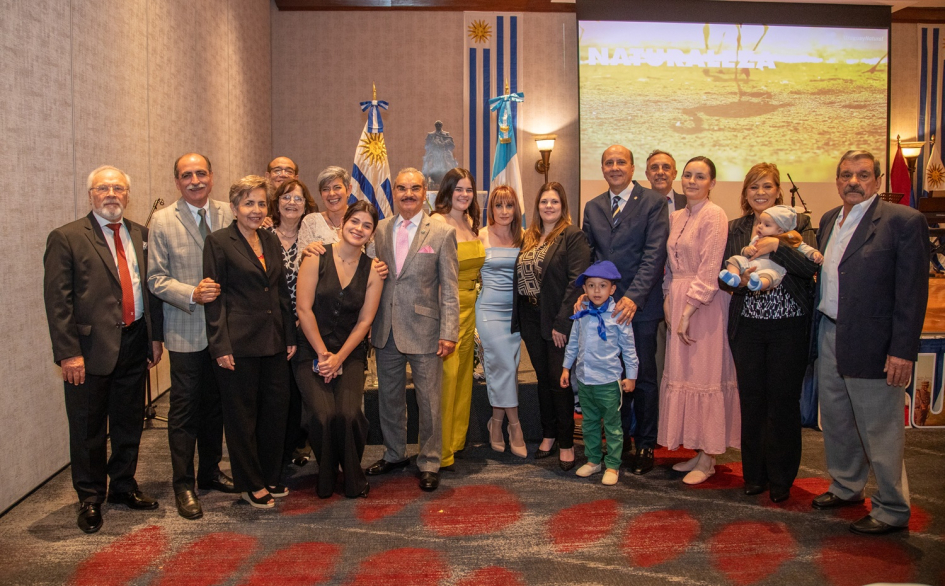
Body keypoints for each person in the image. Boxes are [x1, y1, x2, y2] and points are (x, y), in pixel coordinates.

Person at [811, 150, 929, 535]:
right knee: (839, 420)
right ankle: (846, 487)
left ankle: (892, 508)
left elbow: (911, 294)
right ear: (837, 179)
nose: (853, 182)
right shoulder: (830, 219)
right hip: (830, 332)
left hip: (876, 342)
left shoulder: (903, 222)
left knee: (880, 428)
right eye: (846, 174)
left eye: (862, 175)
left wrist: (902, 350)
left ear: (877, 180)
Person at [44, 166, 164, 534]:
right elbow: (58, 301)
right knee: (87, 428)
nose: (111, 194)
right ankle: (91, 497)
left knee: (129, 422)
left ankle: (123, 487)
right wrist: (68, 353)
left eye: (118, 188)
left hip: (133, 342)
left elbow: (151, 291)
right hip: (88, 349)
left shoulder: (141, 234)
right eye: (103, 188)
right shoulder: (66, 237)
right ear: (91, 195)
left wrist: (153, 337)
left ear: (128, 196)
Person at [722, 163, 821, 503]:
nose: (760, 193)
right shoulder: (736, 229)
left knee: (782, 402)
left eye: (767, 186)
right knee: (752, 401)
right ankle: (754, 475)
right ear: (745, 194)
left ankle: (781, 478)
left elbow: (809, 267)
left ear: (778, 190)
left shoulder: (799, 224)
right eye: (753, 187)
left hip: (788, 327)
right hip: (747, 327)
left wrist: (775, 247)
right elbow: (725, 274)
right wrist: (739, 277)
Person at [148, 153, 236, 520]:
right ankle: (183, 483)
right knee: (184, 411)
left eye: (201, 173)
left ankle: (211, 470)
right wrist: (191, 293)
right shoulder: (162, 220)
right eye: (188, 175)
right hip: (186, 330)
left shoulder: (230, 213)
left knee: (217, 406)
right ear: (177, 182)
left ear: (212, 177)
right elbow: (155, 278)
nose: (196, 180)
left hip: (226, 332)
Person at [204, 175, 297, 509]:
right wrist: (220, 345)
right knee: (242, 417)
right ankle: (249, 482)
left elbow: (281, 292)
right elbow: (214, 298)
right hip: (238, 345)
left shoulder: (270, 240)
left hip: (274, 341)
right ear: (234, 207)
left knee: (275, 411)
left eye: (261, 203)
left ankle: (270, 475)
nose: (256, 210)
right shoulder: (218, 242)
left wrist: (289, 335)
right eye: (248, 203)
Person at [365, 167, 460, 492]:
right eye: (402, 188)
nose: (408, 194)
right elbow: (368, 275)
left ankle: (429, 461)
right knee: (389, 398)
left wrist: (449, 331)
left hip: (426, 330)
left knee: (429, 401)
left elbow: (449, 287)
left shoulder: (442, 233)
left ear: (424, 193)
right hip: (385, 328)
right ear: (394, 193)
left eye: (414, 188)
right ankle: (394, 454)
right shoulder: (378, 229)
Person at [581, 145, 668, 476]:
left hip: (640, 308)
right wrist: (588, 293)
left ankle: (645, 442)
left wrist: (633, 297)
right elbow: (590, 256)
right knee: (611, 378)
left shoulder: (653, 203)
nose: (614, 167)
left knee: (642, 376)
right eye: (608, 162)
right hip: (604, 309)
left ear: (633, 168)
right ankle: (620, 442)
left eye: (621, 162)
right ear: (602, 168)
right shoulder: (593, 206)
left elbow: (654, 254)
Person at [659, 156, 740, 485]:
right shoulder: (677, 215)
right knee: (684, 375)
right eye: (688, 175)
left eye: (700, 176)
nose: (692, 181)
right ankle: (697, 449)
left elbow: (709, 269)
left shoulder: (715, 214)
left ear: (712, 182)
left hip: (704, 304)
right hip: (678, 298)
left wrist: (689, 309)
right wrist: (668, 299)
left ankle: (709, 459)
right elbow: (671, 265)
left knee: (707, 375)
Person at [295, 201, 383, 498]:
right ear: (343, 223)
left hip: (350, 353)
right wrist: (323, 355)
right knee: (322, 415)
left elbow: (365, 321)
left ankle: (350, 471)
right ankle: (329, 471)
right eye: (354, 222)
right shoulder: (316, 256)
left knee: (348, 415)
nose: (359, 229)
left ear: (371, 234)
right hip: (311, 350)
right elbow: (303, 310)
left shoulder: (373, 270)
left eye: (367, 226)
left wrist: (339, 358)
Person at [512, 182, 591, 471]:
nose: (548, 206)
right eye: (544, 201)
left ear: (563, 206)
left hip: (557, 319)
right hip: (531, 318)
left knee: (560, 382)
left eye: (554, 202)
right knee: (543, 379)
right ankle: (548, 434)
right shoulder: (530, 237)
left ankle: (567, 442)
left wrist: (562, 322)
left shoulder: (572, 235)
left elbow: (577, 281)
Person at [561, 261, 638, 486]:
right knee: (590, 423)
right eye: (591, 285)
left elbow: (629, 348)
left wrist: (631, 376)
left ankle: (613, 465)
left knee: (613, 426)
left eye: (602, 285)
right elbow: (573, 343)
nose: (596, 291)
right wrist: (566, 368)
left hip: (608, 382)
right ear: (584, 289)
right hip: (585, 381)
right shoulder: (582, 314)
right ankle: (594, 460)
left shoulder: (618, 315)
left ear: (612, 289)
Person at [431, 168, 486, 468]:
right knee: (446, 379)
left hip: (472, 308)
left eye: (469, 190)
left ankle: (455, 442)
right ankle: (439, 450)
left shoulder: (470, 222)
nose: (464, 195)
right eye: (459, 189)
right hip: (446, 309)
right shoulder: (437, 222)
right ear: (447, 191)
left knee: (464, 377)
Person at [268, 179, 318, 468]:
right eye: (285, 197)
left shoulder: (311, 239)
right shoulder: (262, 234)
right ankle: (277, 451)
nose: (291, 203)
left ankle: (298, 444)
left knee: (301, 390)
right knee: (277, 391)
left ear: (305, 205)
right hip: (271, 325)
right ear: (277, 203)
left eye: (298, 199)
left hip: (304, 323)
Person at [478, 186, 527, 457]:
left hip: (516, 314)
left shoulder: (526, 237)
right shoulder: (480, 236)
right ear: (491, 209)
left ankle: (495, 423)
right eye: (499, 205)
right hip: (488, 311)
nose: (505, 211)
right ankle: (515, 426)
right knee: (505, 366)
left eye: (510, 206)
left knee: (507, 369)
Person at [720, 204, 823, 291]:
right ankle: (734, 277)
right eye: (760, 222)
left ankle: (758, 284)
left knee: (770, 276)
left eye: (767, 225)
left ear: (780, 230)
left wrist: (814, 253)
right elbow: (746, 251)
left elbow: (804, 248)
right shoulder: (757, 238)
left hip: (771, 268)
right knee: (734, 260)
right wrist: (747, 250)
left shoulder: (788, 238)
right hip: (752, 265)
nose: (760, 226)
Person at [299, 166, 377, 258]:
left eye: (337, 187)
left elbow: (372, 259)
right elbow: (297, 266)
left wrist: (378, 266)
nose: (331, 193)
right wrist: (304, 254)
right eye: (325, 189)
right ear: (321, 194)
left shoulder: (362, 220)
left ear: (348, 190)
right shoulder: (311, 221)